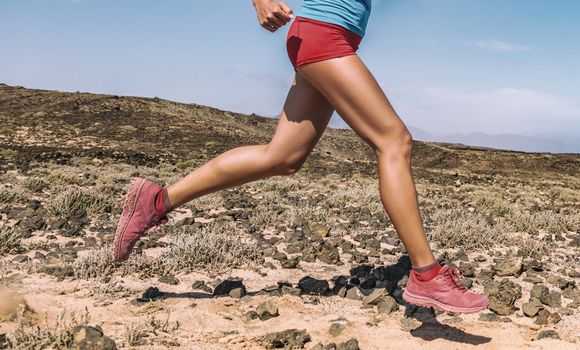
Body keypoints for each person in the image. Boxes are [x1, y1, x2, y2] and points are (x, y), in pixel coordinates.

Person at [111, 0, 489, 314]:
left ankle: (157, 200)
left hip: (326, 36)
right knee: (395, 141)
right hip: (324, 35)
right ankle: (426, 273)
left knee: (284, 156)